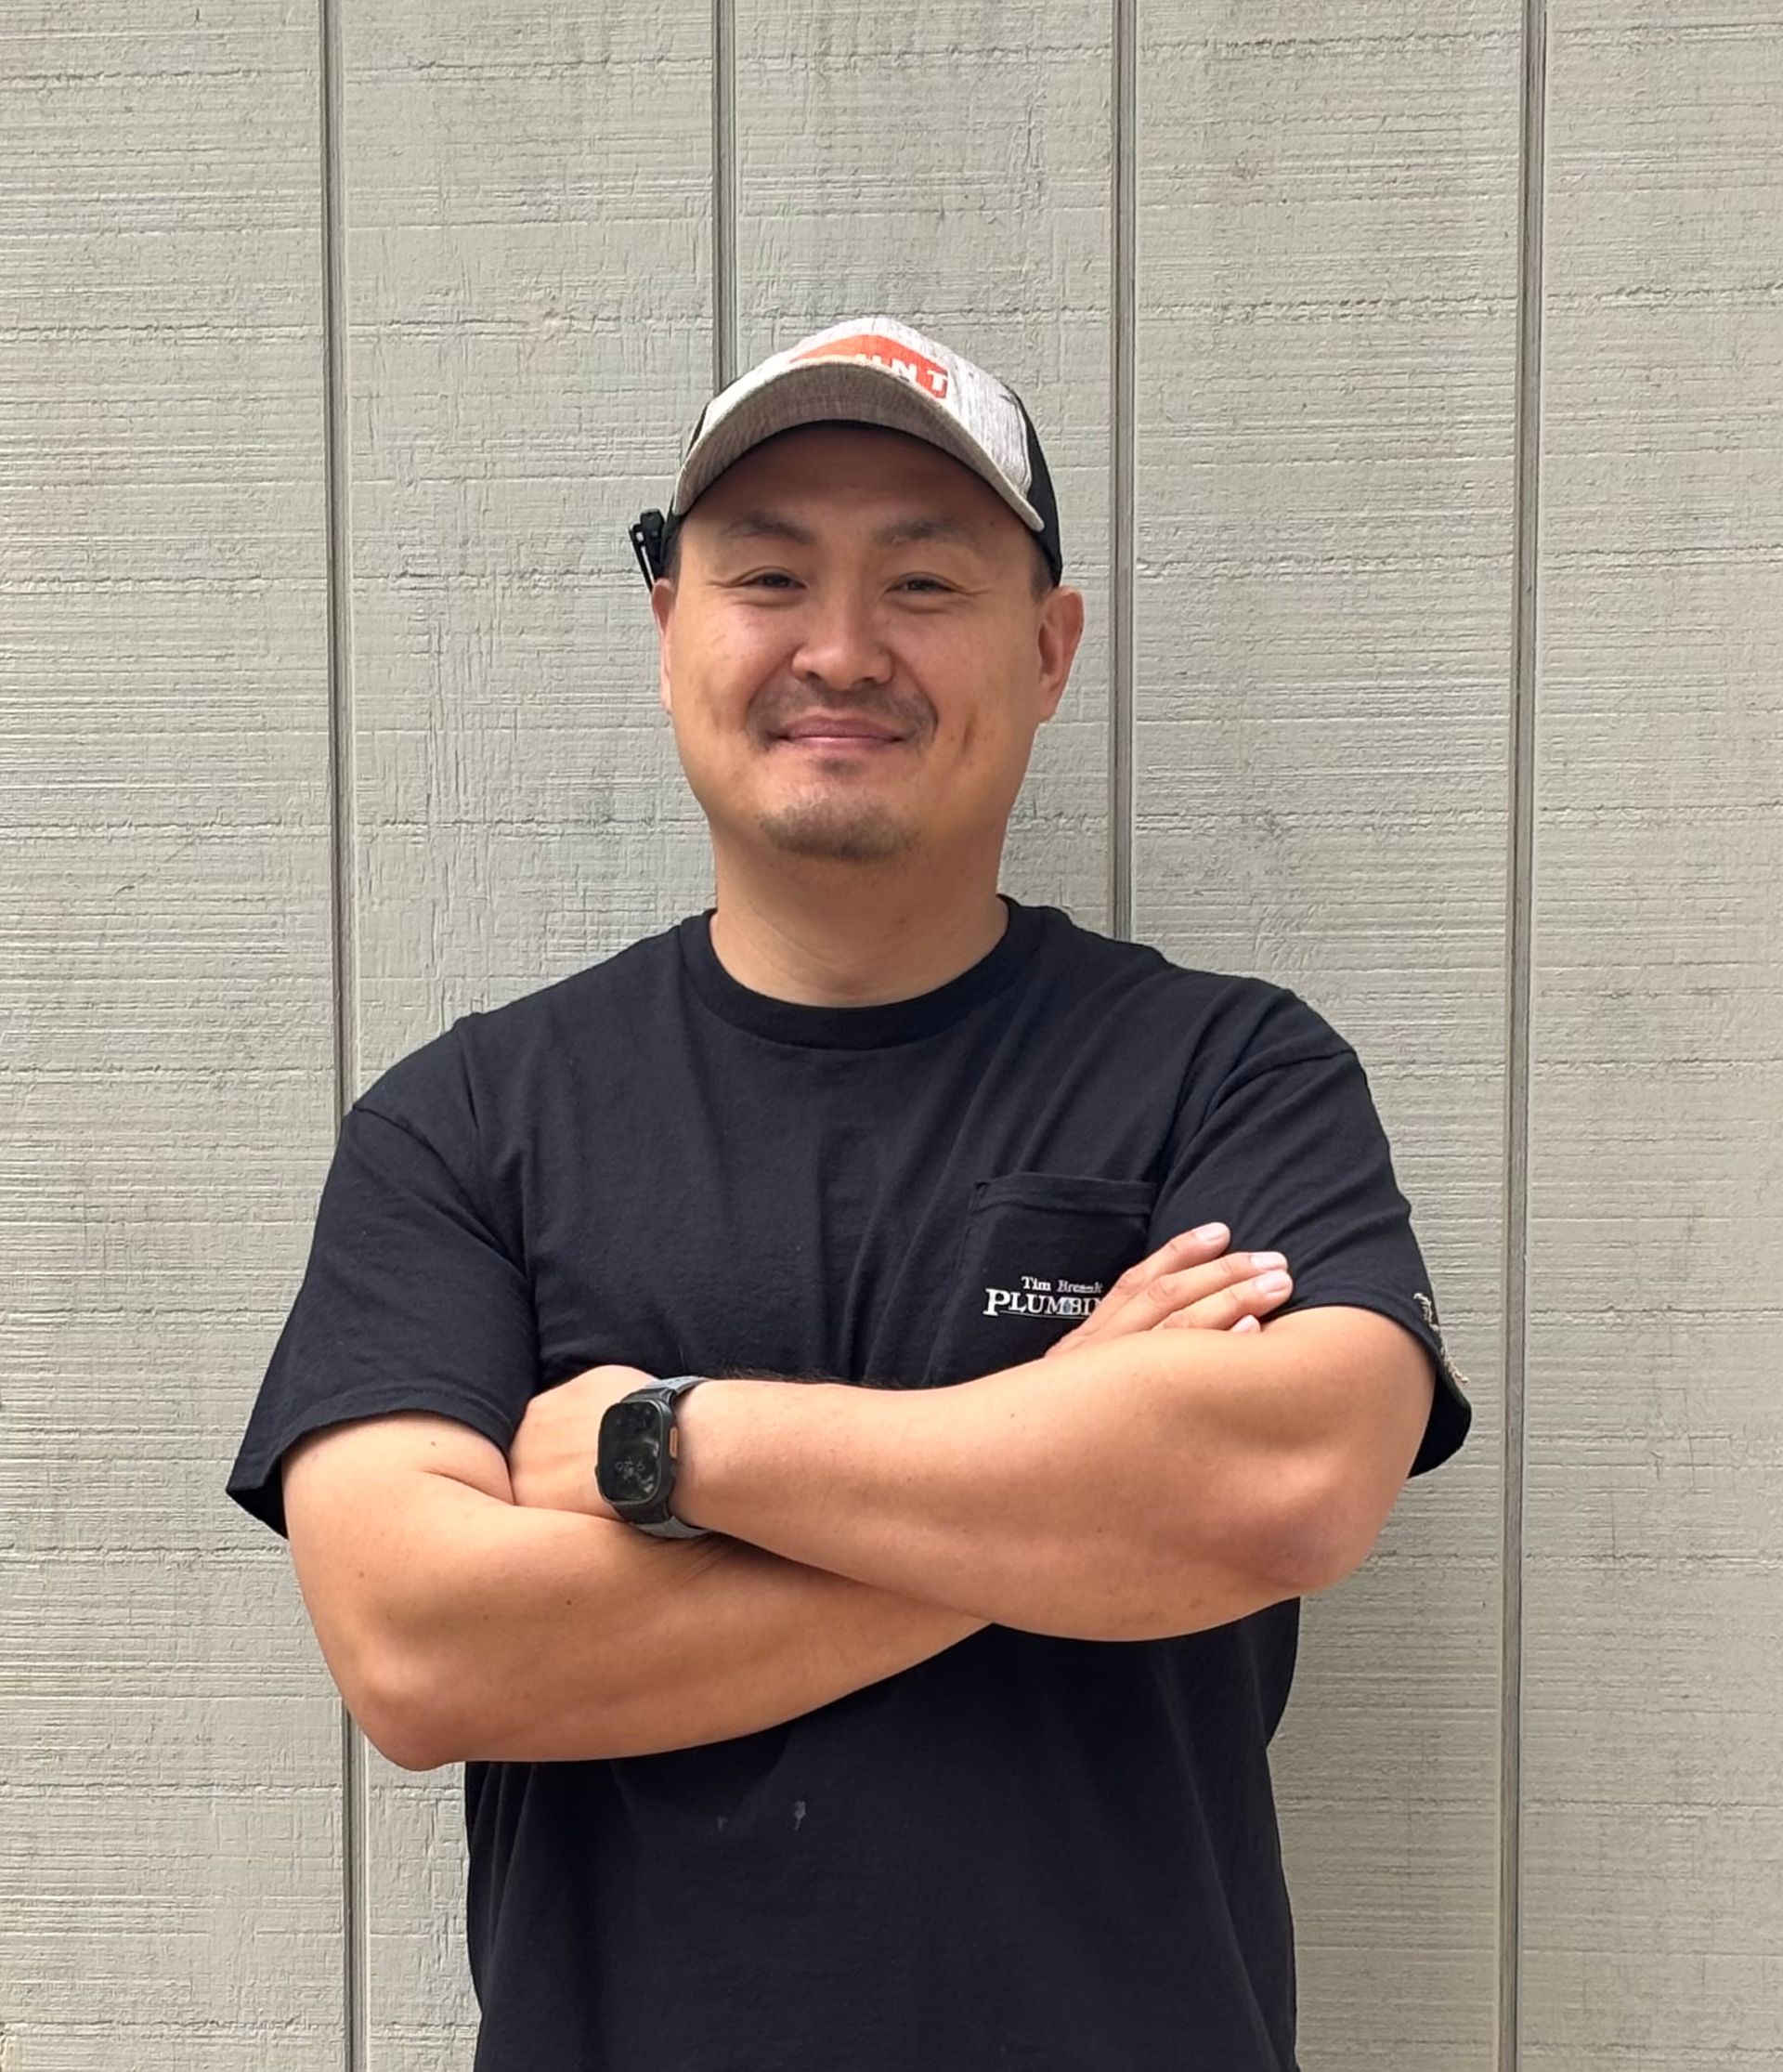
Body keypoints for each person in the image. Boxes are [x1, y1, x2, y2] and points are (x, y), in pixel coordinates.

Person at [227, 313, 1474, 2071]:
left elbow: (1277, 1487)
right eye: (768, 576)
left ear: (1049, 651)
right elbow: (423, 1652)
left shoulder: (1229, 1076)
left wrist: (673, 1448)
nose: (839, 648)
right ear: (672, 630)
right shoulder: (470, 1121)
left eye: (925, 585)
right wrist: (1076, 1471)